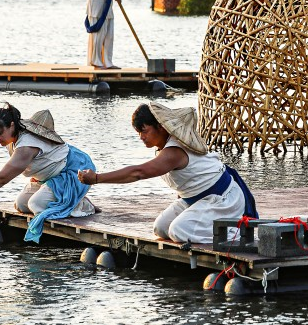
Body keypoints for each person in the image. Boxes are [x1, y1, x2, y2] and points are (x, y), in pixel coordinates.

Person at [77, 103, 258, 244]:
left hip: (223, 199)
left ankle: (237, 234)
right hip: (194, 199)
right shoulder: (164, 147)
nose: (141, 137)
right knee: (161, 228)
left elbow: (138, 173)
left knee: (179, 231)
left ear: (161, 127)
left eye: (144, 131)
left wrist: (97, 178)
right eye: (138, 132)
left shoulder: (174, 152)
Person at [0, 104, 98, 243]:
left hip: (76, 172)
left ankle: (81, 205)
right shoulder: (12, 138)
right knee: (21, 204)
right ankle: (68, 199)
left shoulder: (27, 144)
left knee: (36, 204)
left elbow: (2, 178)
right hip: (52, 178)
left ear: (11, 125)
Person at [86, 0, 122, 69]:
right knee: (98, 36)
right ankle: (96, 62)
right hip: (96, 10)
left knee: (109, 37)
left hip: (108, 11)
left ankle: (108, 62)